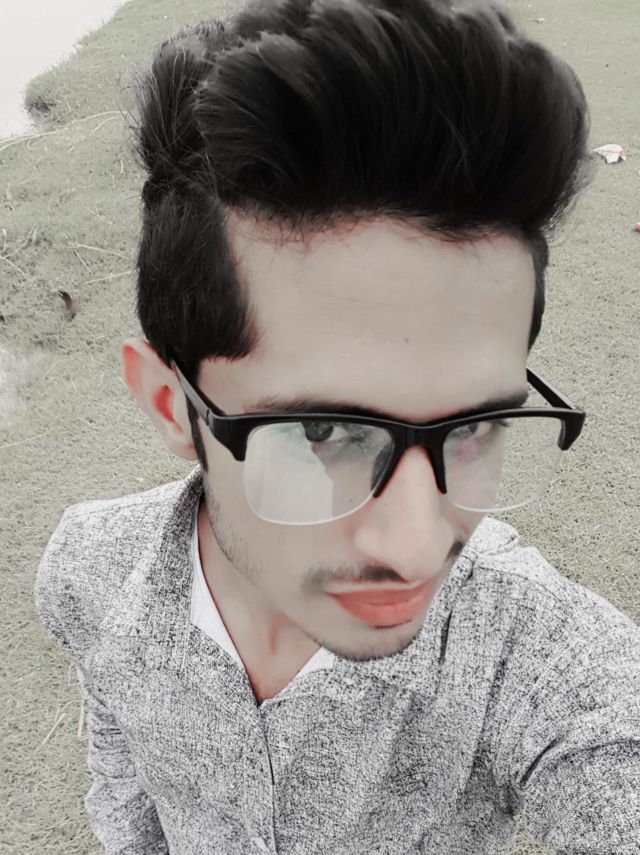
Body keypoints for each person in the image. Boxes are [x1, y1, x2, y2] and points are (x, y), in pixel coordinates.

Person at [35, 0, 640, 853]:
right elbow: (122, 775)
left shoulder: (533, 655)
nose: (418, 545)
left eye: (479, 423)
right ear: (171, 405)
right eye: (325, 433)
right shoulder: (88, 572)